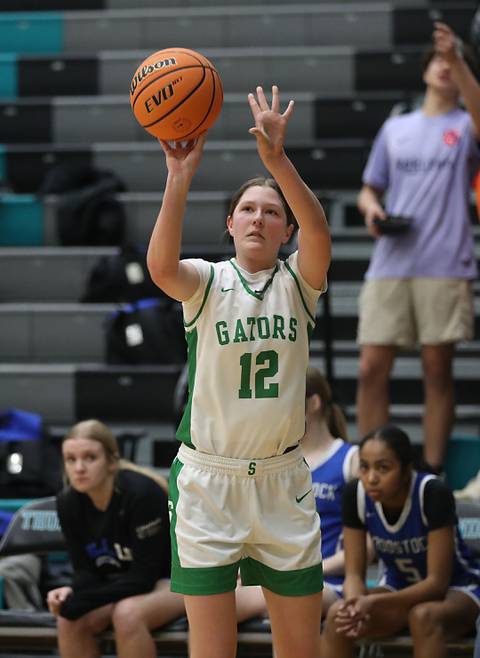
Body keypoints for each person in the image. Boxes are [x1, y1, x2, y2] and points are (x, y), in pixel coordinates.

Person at [146, 83, 331, 658]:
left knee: (299, 649)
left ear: (287, 230)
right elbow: (159, 267)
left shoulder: (301, 282)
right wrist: (179, 177)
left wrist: (276, 162)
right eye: (247, 210)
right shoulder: (205, 282)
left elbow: (321, 230)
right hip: (209, 481)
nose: (259, 218)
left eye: (272, 213)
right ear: (230, 224)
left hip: (282, 483)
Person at [355, 22, 480, 475]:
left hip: (445, 261)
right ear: (425, 70)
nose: (445, 67)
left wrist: (460, 58)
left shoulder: (466, 123)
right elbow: (369, 189)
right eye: (439, 60)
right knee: (371, 367)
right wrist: (372, 212)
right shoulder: (396, 127)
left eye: (453, 62)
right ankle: (373, 462)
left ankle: (430, 469)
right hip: (391, 260)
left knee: (436, 369)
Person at [321, 425, 480, 658]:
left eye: (383, 468)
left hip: (458, 589)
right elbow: (354, 575)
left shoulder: (431, 492)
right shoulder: (356, 494)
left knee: (423, 616)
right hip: (397, 588)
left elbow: (436, 584)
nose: (371, 478)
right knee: (339, 616)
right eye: (364, 467)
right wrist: (354, 603)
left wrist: (375, 603)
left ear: (406, 470)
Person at [46, 419, 185, 658]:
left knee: (127, 614)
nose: (79, 468)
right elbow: (85, 570)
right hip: (120, 585)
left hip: (172, 580)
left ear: (111, 462)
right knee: (69, 620)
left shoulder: (142, 495)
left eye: (90, 458)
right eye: (71, 459)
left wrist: (84, 599)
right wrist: (71, 592)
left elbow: (144, 578)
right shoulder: (67, 502)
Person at [235, 367, 361, 623]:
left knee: (281, 597)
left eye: (284, 400)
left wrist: (305, 570)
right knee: (213, 600)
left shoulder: (351, 459)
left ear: (313, 403)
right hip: (279, 576)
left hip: (330, 580)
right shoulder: (274, 460)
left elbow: (367, 545)